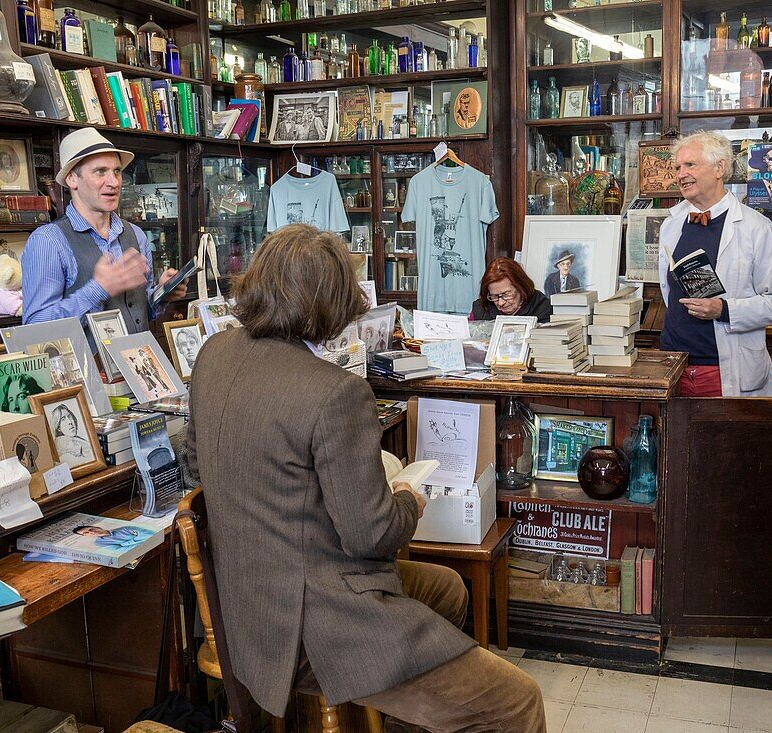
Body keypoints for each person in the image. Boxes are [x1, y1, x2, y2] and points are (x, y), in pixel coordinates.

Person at [186, 224, 546, 732]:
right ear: (332, 303)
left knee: (446, 590)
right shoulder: (334, 392)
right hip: (316, 623)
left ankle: (414, 713)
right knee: (516, 701)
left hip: (245, 610)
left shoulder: (214, 355)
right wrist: (405, 498)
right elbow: (371, 535)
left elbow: (195, 467)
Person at [658, 131, 772, 397]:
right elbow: (667, 292)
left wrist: (723, 309)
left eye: (690, 165)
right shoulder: (671, 224)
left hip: (724, 370)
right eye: (677, 167)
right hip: (672, 367)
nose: (681, 174)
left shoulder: (756, 228)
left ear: (720, 167)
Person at [21, 128, 187, 335]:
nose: (114, 182)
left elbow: (139, 309)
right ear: (72, 179)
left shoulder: (136, 235)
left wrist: (163, 293)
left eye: (116, 171)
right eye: (100, 171)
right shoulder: (47, 242)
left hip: (140, 362)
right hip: (87, 366)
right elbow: (34, 330)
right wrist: (98, 289)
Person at [470, 257, 551, 323]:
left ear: (521, 287)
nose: (501, 303)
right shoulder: (480, 310)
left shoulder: (543, 309)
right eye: (494, 296)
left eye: (506, 294)